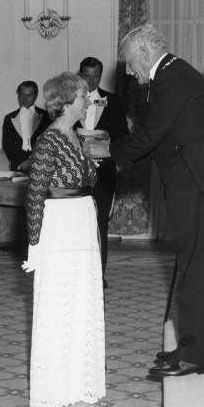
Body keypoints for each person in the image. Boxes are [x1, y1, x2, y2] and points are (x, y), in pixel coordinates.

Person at [86, 25, 204, 378]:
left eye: (130, 63)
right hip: (190, 185)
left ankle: (196, 357)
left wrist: (107, 151)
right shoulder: (170, 75)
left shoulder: (172, 77)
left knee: (196, 271)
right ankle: (189, 346)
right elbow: (161, 136)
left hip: (198, 187)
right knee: (190, 268)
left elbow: (149, 134)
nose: (129, 71)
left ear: (144, 53)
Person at [22, 72, 105, 407]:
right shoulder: (48, 141)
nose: (89, 101)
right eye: (85, 96)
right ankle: (55, 386)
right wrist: (34, 244)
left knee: (83, 298)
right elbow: (35, 195)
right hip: (59, 224)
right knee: (58, 303)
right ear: (68, 100)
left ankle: (81, 382)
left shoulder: (77, 136)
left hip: (83, 219)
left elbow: (89, 179)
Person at [75, 57, 129, 288]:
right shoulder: (72, 99)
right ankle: (77, 274)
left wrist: (107, 138)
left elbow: (123, 136)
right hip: (75, 171)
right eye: (86, 75)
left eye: (95, 76)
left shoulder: (113, 101)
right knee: (76, 222)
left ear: (101, 74)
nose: (90, 80)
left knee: (100, 224)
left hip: (104, 171)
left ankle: (98, 275)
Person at [2, 81, 52, 172]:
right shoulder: (9, 118)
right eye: (22, 95)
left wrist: (33, 161)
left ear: (36, 96)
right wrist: (21, 163)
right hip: (18, 168)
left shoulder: (46, 116)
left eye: (29, 95)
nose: (25, 99)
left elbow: (50, 144)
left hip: (41, 166)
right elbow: (8, 146)